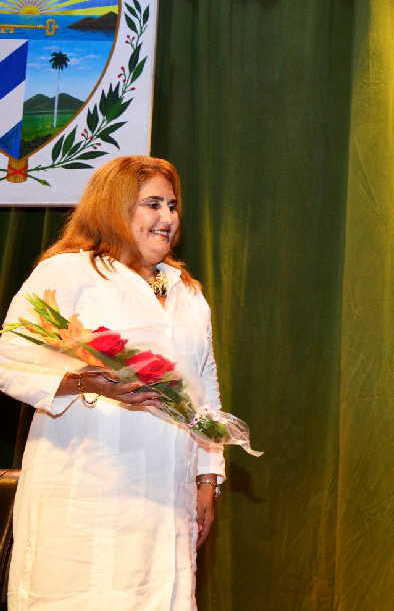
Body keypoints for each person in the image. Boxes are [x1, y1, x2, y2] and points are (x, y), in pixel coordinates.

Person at [0, 156, 226, 610]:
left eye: (173, 206)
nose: (167, 218)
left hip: (168, 492)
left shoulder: (186, 289)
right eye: (153, 205)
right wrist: (87, 383)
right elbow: (9, 357)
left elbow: (205, 387)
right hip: (88, 486)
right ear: (114, 207)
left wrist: (208, 478)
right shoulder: (70, 272)